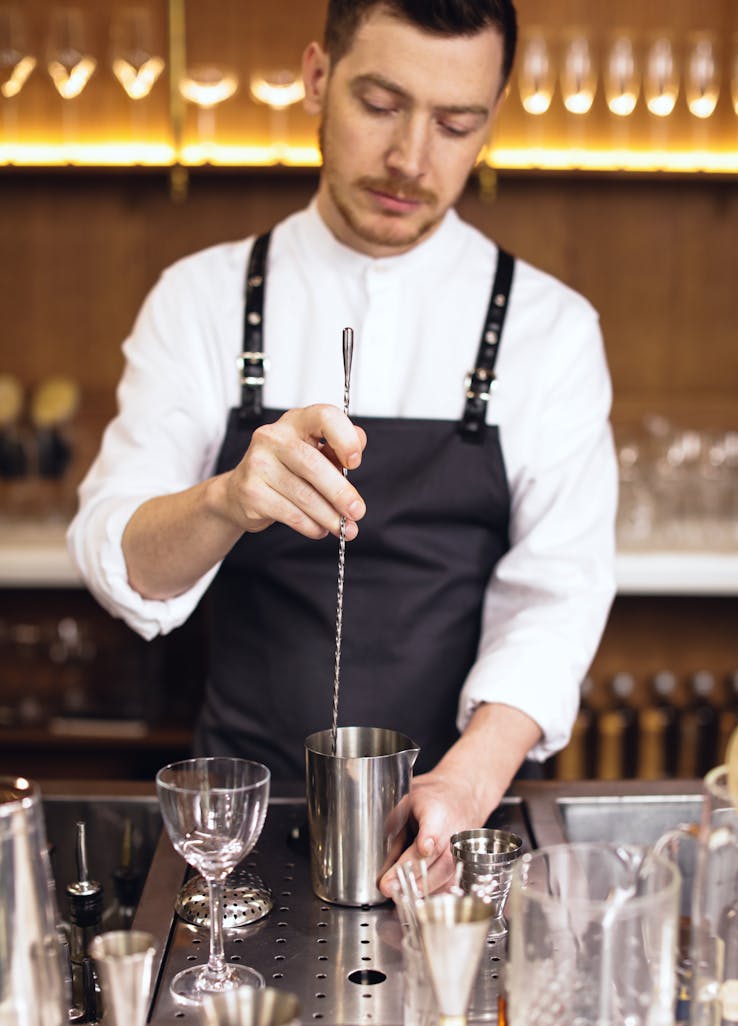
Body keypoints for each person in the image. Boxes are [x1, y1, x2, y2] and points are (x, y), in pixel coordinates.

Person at [68, 0, 617, 895]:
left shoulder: (548, 328)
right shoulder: (203, 299)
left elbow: (559, 593)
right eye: (379, 103)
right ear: (318, 78)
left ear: (493, 117)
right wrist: (224, 499)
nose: (411, 157)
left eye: (456, 123)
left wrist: (467, 782)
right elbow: (124, 561)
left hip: (456, 827)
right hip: (239, 822)